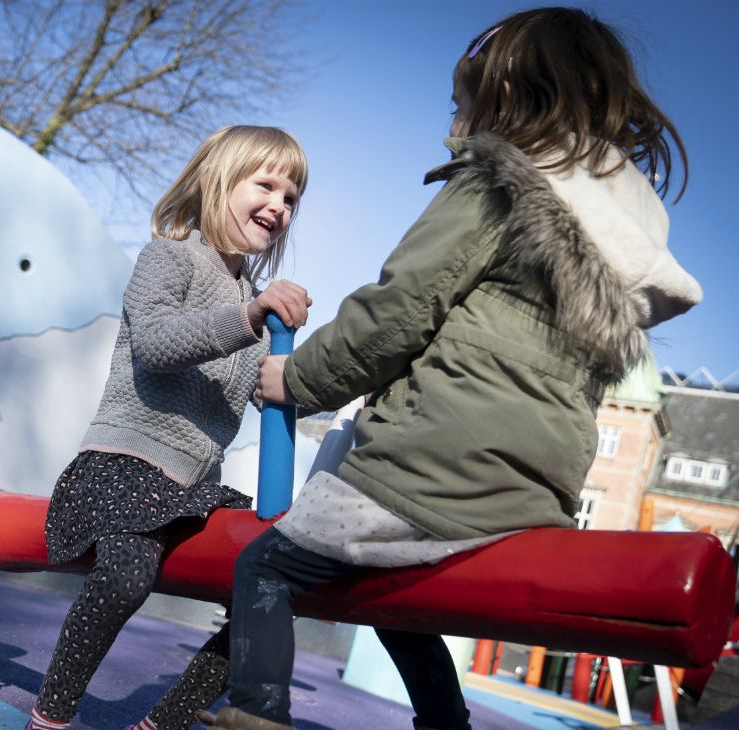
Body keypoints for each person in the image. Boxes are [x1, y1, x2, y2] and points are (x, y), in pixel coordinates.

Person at [200, 8, 702, 729]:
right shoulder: (611, 248)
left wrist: (298, 380)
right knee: (392, 590)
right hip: (536, 493)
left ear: (503, 94)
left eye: (462, 105)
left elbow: (398, 308)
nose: (457, 122)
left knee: (268, 568)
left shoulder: (496, 186)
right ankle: (445, 722)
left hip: (439, 465)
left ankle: (257, 714)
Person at [27, 125, 313, 730]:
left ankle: (164, 724)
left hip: (191, 490)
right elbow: (157, 344)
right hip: (123, 464)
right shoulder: (169, 256)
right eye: (266, 185)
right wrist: (248, 316)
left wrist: (336, 381)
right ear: (219, 181)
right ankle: (51, 717)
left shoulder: (254, 309)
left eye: (291, 197)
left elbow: (275, 398)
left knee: (273, 589)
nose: (278, 206)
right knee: (128, 573)